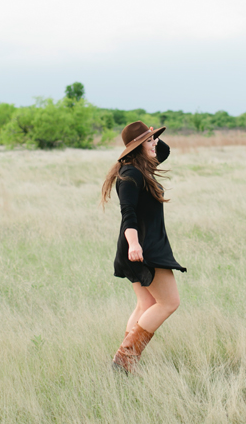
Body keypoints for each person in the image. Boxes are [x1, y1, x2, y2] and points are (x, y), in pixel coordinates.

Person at [101, 121, 186, 374]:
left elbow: (165, 151)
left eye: (153, 140)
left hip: (140, 247)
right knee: (169, 302)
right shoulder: (131, 175)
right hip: (142, 248)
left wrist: (150, 136)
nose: (155, 144)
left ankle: (123, 362)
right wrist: (135, 244)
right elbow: (128, 213)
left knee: (145, 304)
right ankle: (124, 359)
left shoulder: (141, 167)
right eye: (149, 141)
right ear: (137, 148)